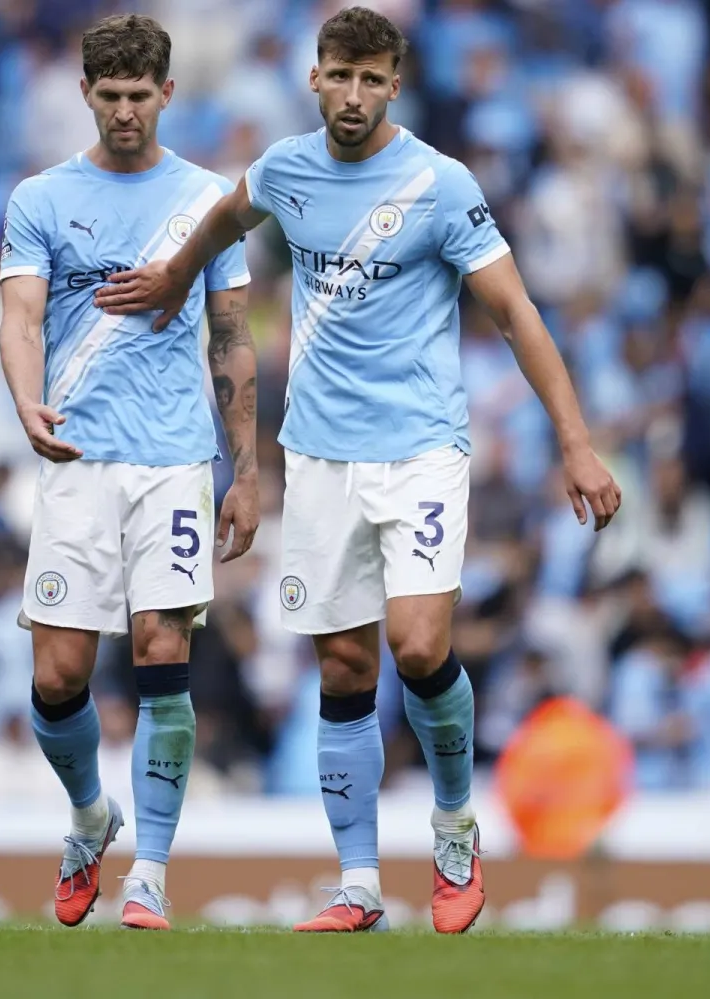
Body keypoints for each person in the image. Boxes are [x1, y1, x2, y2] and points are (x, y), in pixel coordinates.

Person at [93, 6, 621, 934]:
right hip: (320, 453)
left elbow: (516, 313)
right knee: (342, 663)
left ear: (394, 85)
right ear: (316, 76)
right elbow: (226, 217)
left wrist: (575, 440)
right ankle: (361, 883)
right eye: (340, 75)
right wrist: (177, 276)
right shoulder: (288, 170)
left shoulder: (439, 184)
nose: (353, 94)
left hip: (419, 448)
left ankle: (455, 826)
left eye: (372, 79)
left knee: (417, 646)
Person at [0, 14, 258, 931]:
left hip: (173, 461)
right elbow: (22, 318)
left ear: (167, 95)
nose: (123, 112)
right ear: (84, 95)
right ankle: (88, 816)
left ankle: (149, 869)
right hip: (76, 456)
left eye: (139, 96)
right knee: (60, 676)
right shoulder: (40, 197)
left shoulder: (208, 203)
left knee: (162, 650)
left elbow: (233, 335)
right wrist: (26, 400)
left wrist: (248, 469)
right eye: (108, 96)